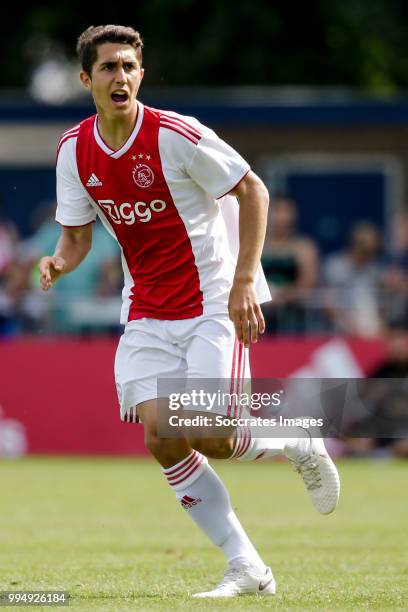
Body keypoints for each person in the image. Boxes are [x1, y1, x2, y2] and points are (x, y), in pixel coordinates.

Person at [39, 24, 340, 598]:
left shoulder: (177, 134)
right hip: (147, 312)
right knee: (163, 436)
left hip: (210, 304)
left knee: (214, 434)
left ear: (141, 75)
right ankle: (247, 567)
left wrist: (246, 280)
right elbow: (76, 236)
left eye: (129, 66)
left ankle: (300, 440)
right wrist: (58, 261)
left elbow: (252, 190)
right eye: (108, 68)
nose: (120, 76)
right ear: (86, 79)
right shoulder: (73, 150)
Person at [261, 196, 320, 333]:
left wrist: (282, 297)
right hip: (259, 315)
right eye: (277, 211)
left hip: (293, 318)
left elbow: (308, 283)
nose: (282, 217)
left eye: (286, 212)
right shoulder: (256, 245)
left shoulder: (304, 247)